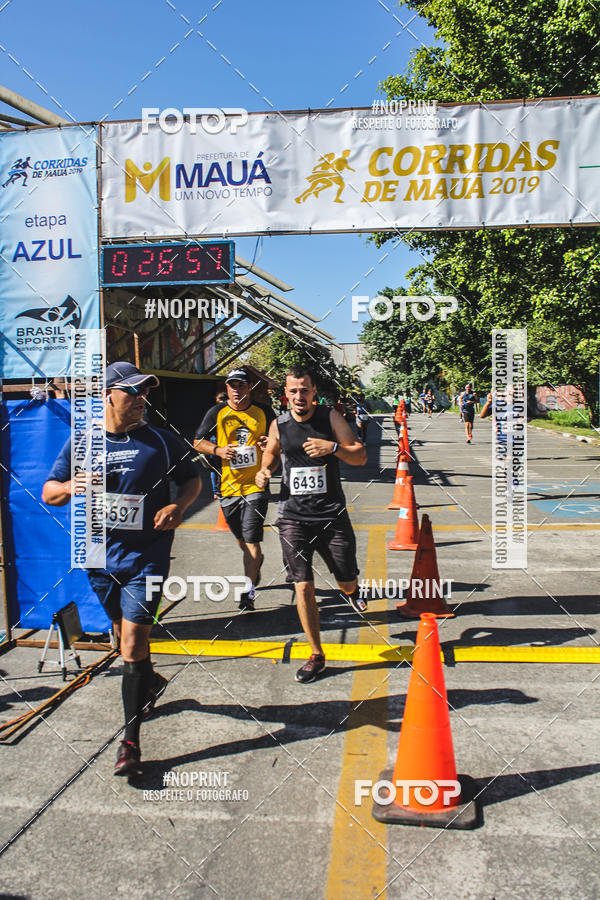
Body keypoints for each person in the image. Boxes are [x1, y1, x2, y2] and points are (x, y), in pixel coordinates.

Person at [42, 362, 201, 777]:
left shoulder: (162, 442)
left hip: (147, 557)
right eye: (133, 393)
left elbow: (192, 481)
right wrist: (69, 487)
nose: (141, 400)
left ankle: (130, 743)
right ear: (109, 395)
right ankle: (148, 679)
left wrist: (178, 506)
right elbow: (48, 492)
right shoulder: (82, 443)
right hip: (100, 557)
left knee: (131, 645)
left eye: (145, 393)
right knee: (121, 639)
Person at [255, 365, 367, 684]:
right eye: (293, 391)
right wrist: (265, 471)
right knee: (302, 585)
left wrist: (331, 447)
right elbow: (271, 456)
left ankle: (352, 590)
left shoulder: (329, 418)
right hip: (292, 516)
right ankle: (316, 654)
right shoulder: (279, 423)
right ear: (285, 394)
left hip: (331, 514)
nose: (299, 396)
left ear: (313, 392)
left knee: (345, 579)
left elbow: (359, 456)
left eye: (305, 390)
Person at [194, 368, 275, 611]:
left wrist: (269, 441)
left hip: (256, 484)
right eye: (232, 385)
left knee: (251, 540)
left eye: (240, 385)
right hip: (227, 486)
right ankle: (256, 561)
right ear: (227, 388)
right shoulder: (217, 412)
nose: (236, 389)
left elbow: (278, 438)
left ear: (249, 387)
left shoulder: (263, 411)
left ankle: (247, 594)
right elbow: (197, 442)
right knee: (241, 540)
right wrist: (218, 450)